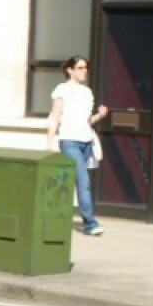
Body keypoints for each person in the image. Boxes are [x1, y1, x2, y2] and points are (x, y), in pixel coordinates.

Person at [47, 55, 109, 236]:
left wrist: (100, 116)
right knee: (83, 182)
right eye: (80, 68)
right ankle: (90, 224)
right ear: (70, 70)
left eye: (86, 68)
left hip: (86, 142)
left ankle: (56, 216)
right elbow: (55, 117)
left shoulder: (87, 92)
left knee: (69, 181)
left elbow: (86, 121)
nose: (85, 71)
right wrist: (49, 143)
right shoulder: (61, 90)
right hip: (69, 141)